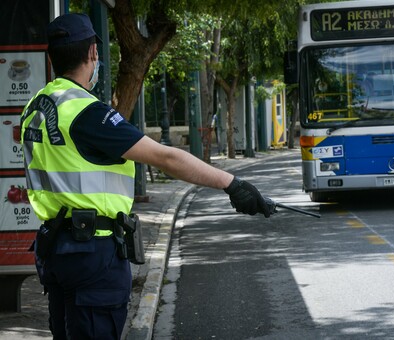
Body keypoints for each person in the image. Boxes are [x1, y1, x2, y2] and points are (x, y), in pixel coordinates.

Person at [20, 13, 272, 340]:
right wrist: (232, 184)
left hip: (56, 249)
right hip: (92, 253)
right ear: (93, 54)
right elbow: (165, 157)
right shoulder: (85, 112)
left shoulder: (36, 107)